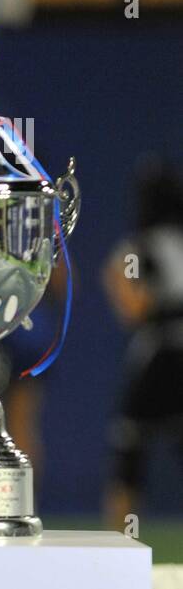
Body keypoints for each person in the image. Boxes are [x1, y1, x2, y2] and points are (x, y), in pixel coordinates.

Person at [102, 156, 183, 529]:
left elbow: (133, 305)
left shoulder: (138, 247)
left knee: (130, 448)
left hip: (161, 356)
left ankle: (124, 535)